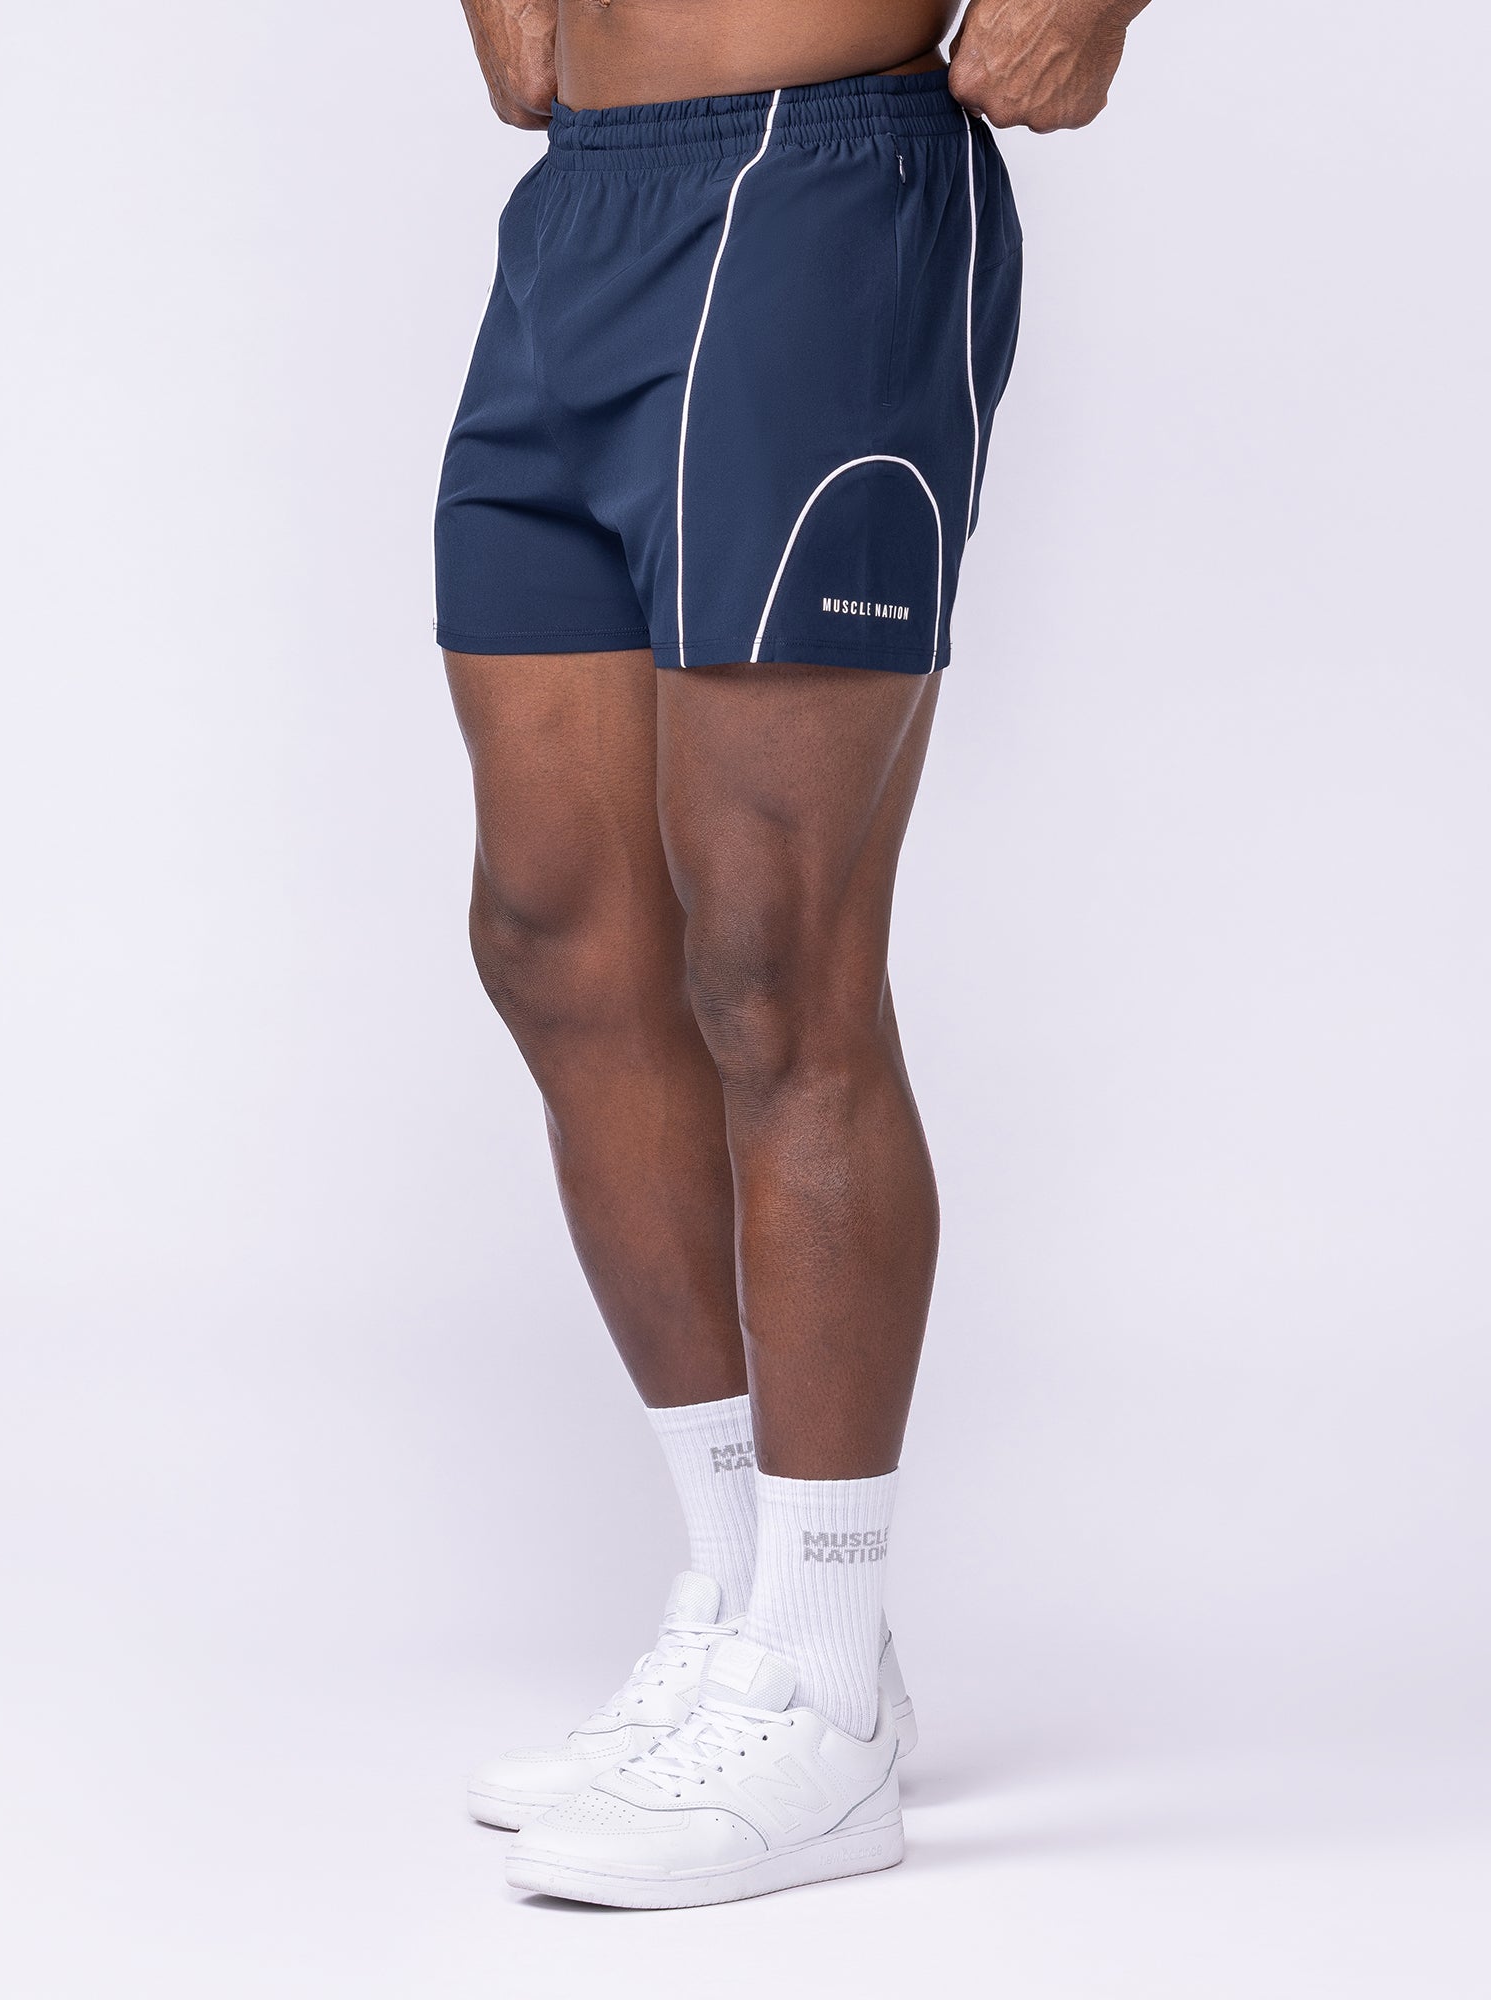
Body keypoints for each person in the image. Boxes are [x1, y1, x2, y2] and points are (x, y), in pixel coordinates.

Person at [436, 0, 1147, 1909]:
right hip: (585, 207)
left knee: (770, 958)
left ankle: (824, 1695)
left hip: (823, 187)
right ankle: (746, 1606)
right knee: (554, 930)